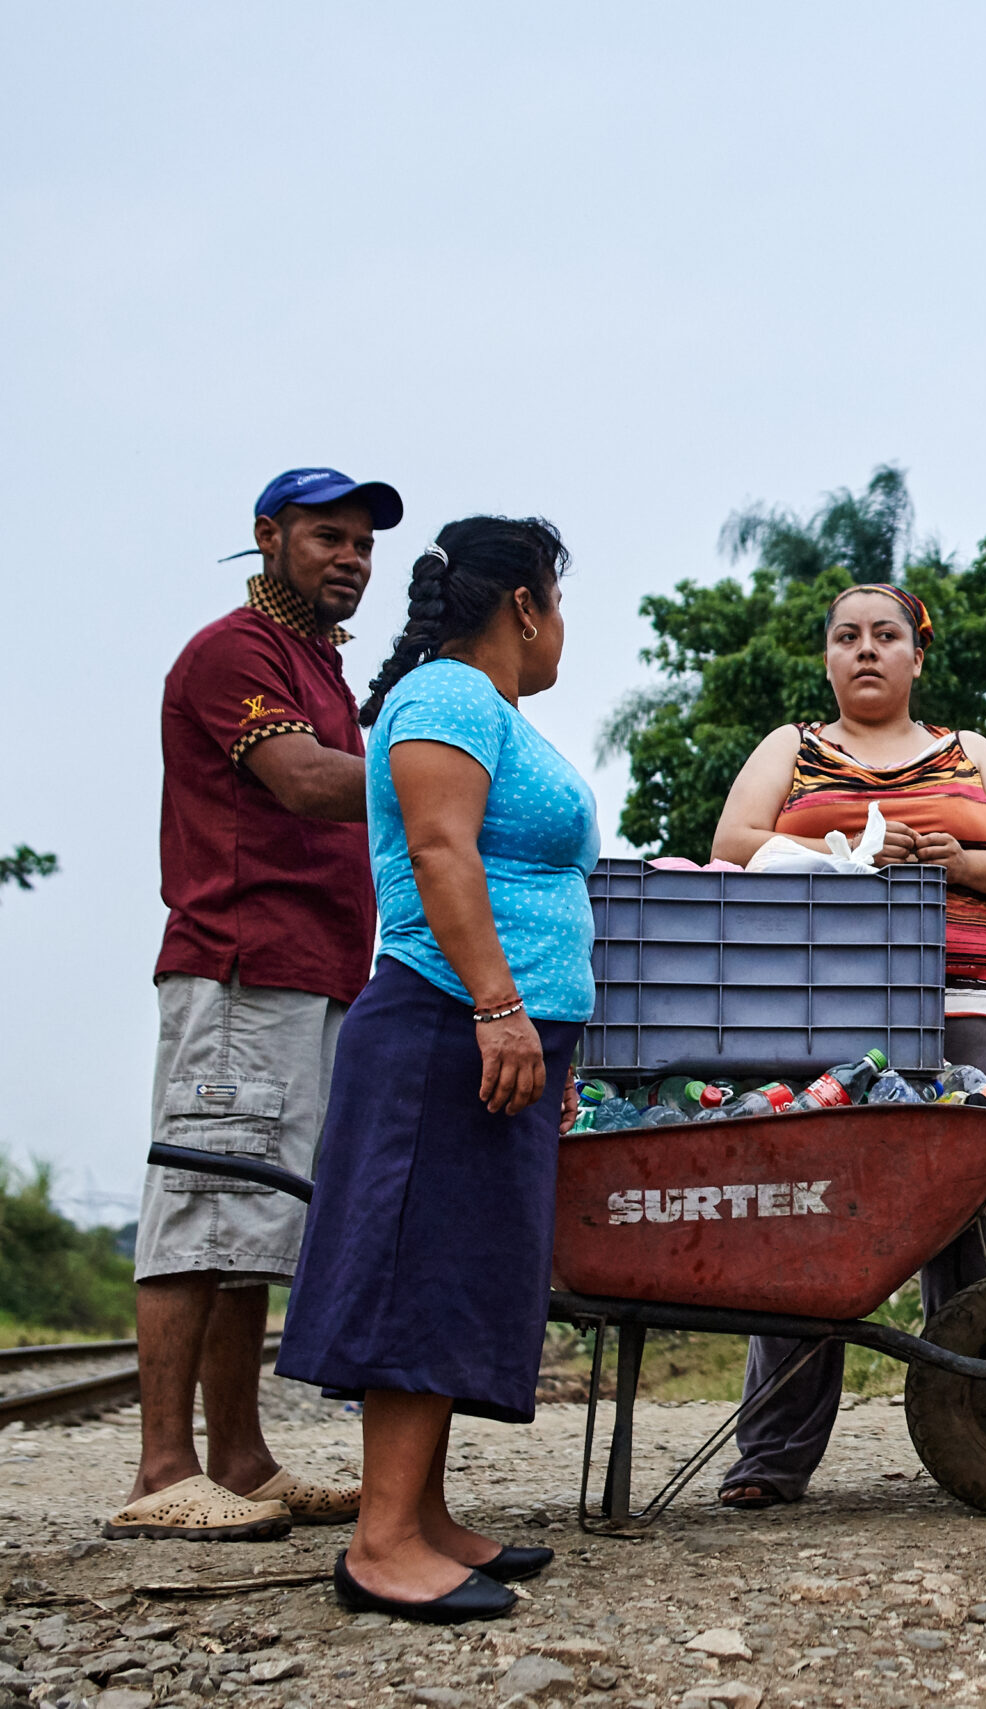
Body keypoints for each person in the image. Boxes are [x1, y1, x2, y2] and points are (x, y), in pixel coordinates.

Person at [276, 517, 597, 1622]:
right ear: (523, 604)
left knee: (456, 1269)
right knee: (420, 1267)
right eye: (559, 602)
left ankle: (420, 1512)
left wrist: (539, 1030)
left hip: (490, 1033)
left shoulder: (483, 709)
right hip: (442, 1021)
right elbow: (439, 849)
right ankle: (378, 1544)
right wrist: (501, 1006)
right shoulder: (448, 696)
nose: (563, 630)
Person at [707, 581, 986, 1510]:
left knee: (954, 1206)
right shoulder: (792, 746)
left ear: (918, 655)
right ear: (826, 658)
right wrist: (849, 851)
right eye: (846, 636)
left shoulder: (970, 751)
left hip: (960, 997)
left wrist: (956, 862)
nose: (866, 649)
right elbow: (733, 844)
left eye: (886, 635)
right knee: (807, 1207)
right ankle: (772, 1457)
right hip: (814, 1001)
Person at [108, 469, 401, 1544]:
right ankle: (159, 1469)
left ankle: (239, 1458)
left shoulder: (319, 665)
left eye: (363, 544)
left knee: (251, 1223)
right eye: (329, 536)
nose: (351, 559)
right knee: (200, 1203)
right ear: (268, 537)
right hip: (240, 965)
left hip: (312, 970)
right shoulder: (235, 652)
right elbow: (307, 782)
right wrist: (443, 770)